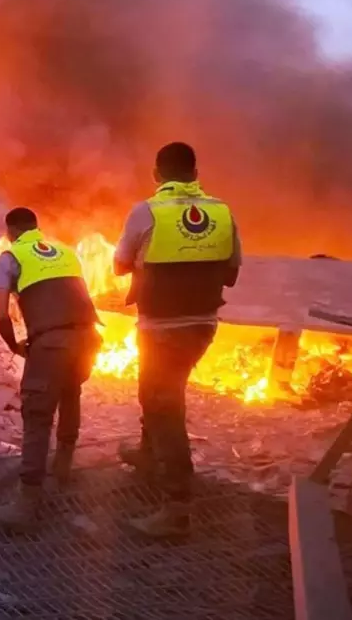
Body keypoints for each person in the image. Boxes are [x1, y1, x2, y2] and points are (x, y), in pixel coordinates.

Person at [112, 142, 241, 538]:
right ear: (195, 172)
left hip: (161, 327)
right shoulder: (222, 212)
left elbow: (118, 265)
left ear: (157, 173)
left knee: (164, 405)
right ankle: (149, 455)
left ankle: (176, 507)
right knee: (158, 393)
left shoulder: (146, 211)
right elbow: (232, 273)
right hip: (202, 325)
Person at [0, 207, 101, 530]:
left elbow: (2, 315)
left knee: (37, 414)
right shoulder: (65, 251)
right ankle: (62, 470)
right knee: (70, 391)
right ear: (37, 227)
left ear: (10, 232)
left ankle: (26, 503)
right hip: (89, 337)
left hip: (51, 342)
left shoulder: (9, 258)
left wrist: (14, 346)